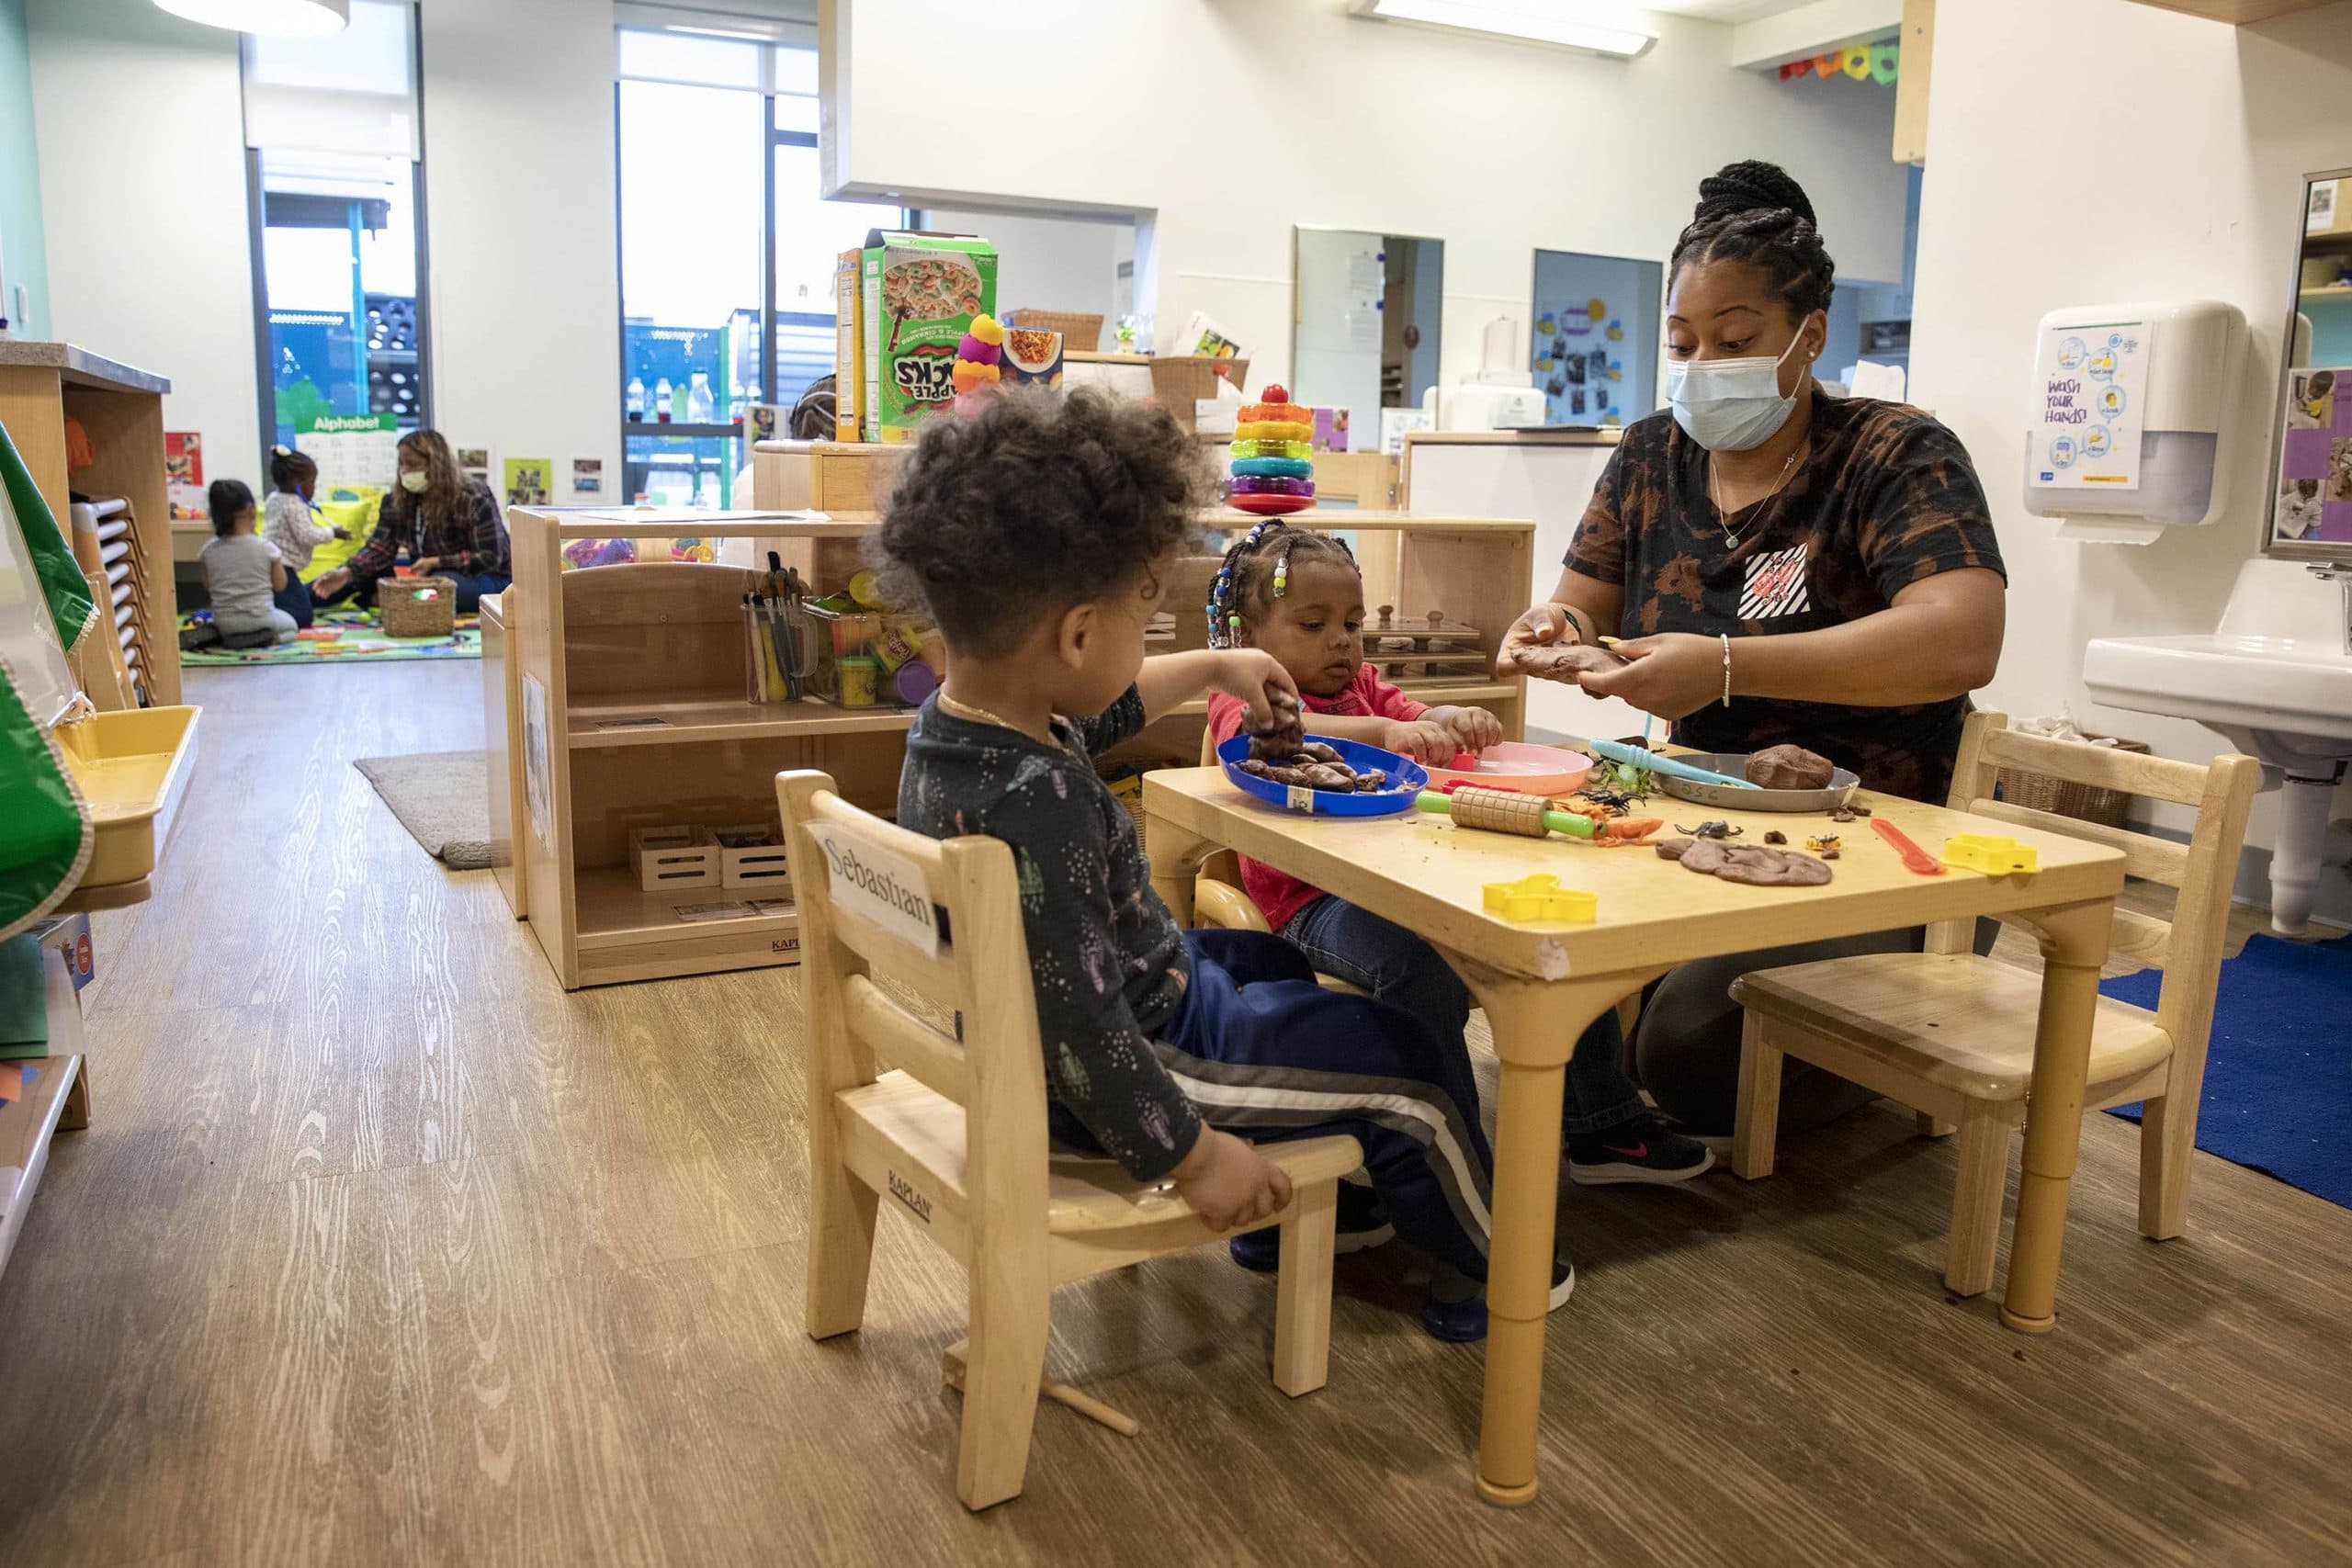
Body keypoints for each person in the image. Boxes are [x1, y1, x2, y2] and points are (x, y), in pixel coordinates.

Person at [881, 389, 1570, 1342]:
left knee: (1275, 964)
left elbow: (1111, 708)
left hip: (1081, 1023)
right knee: (1409, 1072)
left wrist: (1213, 668)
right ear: (1079, 636)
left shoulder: (969, 729)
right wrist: (1195, 1158)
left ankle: (1294, 1221)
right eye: (1144, 617)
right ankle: (1492, 1266)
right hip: (1114, 1074)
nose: (1146, 644)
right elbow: (1083, 1034)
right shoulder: (1035, 809)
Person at [1498, 160, 2007, 1136]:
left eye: (1734, 342)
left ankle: (1903, 1055)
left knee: (1687, 1058)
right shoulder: (1652, 455)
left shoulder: (1893, 453)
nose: (1700, 367)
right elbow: (1579, 608)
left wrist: (1724, 661)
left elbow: (1962, 638)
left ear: (1808, 337)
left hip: (1885, 843)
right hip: (1697, 816)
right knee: (1540, 969)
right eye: (1683, 343)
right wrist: (1553, 632)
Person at [1200, 520, 1711, 1282]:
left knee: (1552, 919)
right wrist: (1378, 729)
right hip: (1311, 904)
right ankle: (1445, 1161)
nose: (1341, 642)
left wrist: (1449, 722)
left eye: (1352, 624)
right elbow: (1263, 734)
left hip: (1405, 882)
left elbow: (1414, 722)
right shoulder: (1244, 690)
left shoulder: (1366, 687)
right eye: (1313, 625)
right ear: (1247, 635)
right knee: (1420, 968)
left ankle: (1602, 1120)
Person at [312, 429, 511, 613]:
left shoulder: (472, 497)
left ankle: (392, 600)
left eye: (413, 465)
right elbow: (379, 547)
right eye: (402, 464)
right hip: (423, 579)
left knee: (441, 588)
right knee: (353, 578)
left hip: (480, 578)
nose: (405, 471)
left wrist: (436, 562)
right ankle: (304, 599)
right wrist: (347, 573)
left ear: (436, 465)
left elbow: (490, 558)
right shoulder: (396, 500)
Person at [259, 445, 349, 630]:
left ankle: (266, 610)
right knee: (302, 615)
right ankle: (265, 618)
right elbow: (307, 535)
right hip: (282, 566)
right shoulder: (294, 504)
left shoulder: (275, 498)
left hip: (270, 562)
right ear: (296, 483)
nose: (313, 488)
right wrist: (333, 533)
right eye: (312, 482)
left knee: (295, 600)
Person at [198, 479, 298, 646]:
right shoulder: (266, 547)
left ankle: (226, 638)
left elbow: (207, 585)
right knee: (291, 626)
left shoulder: (207, 551)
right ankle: (269, 639)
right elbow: (280, 585)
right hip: (262, 619)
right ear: (252, 510)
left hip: (224, 623)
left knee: (214, 620)